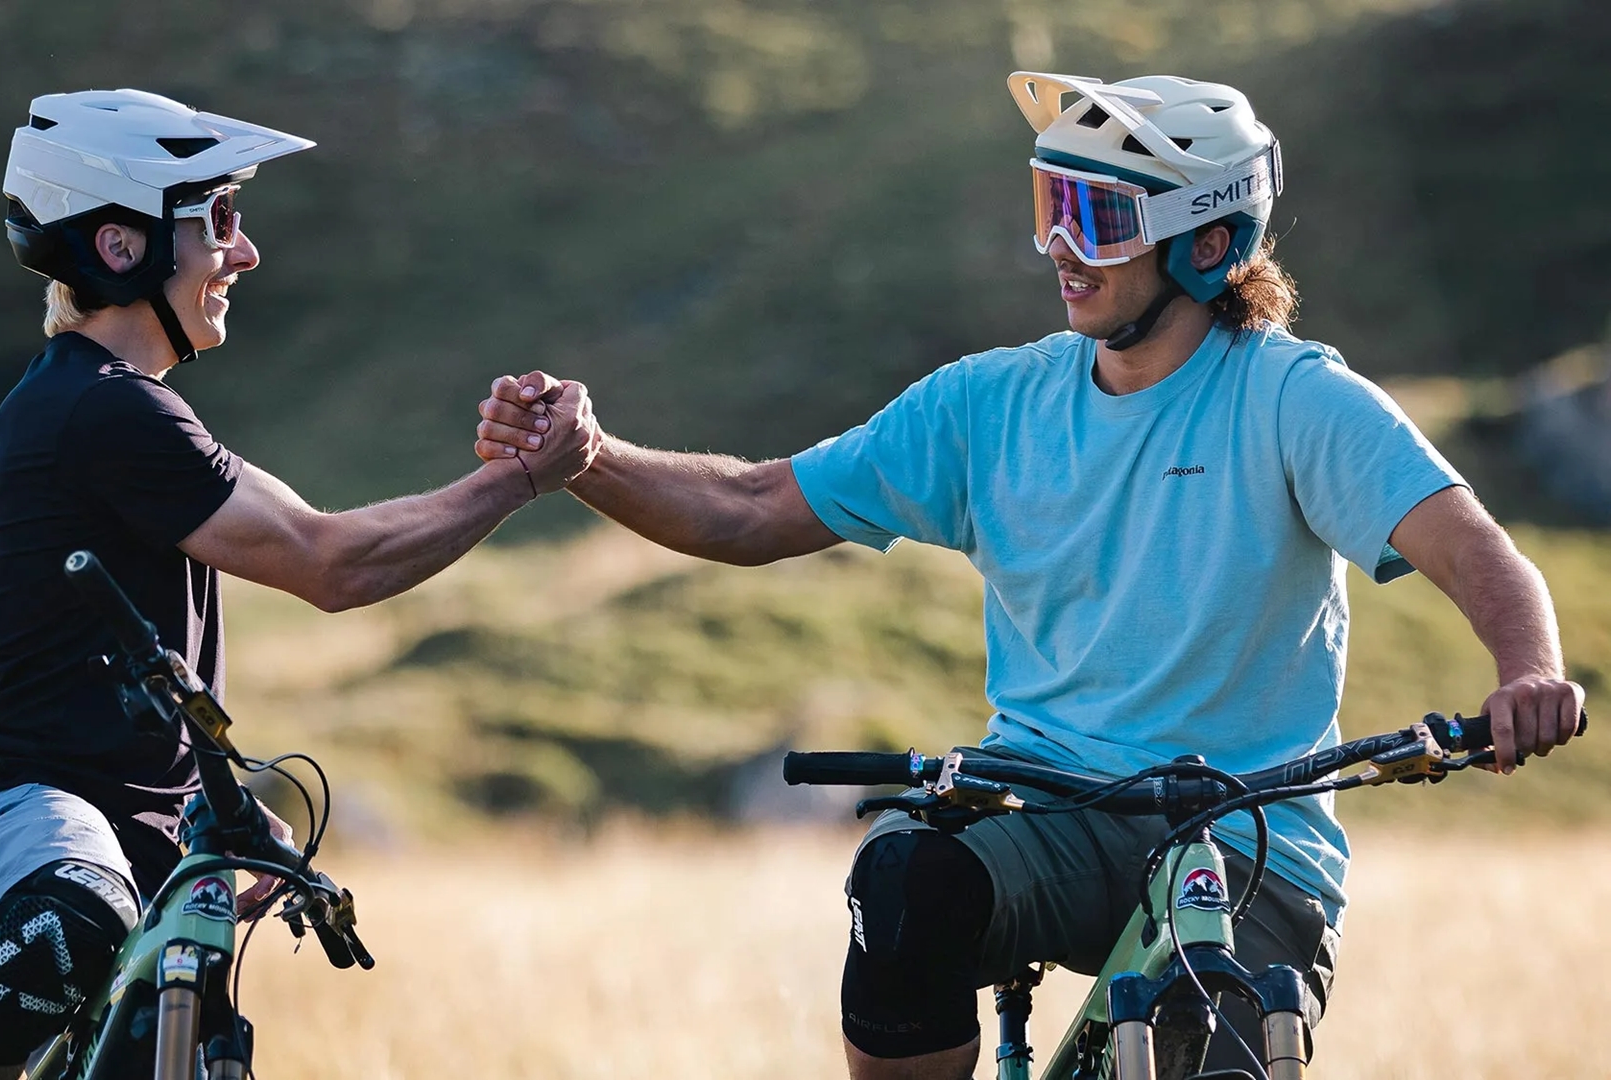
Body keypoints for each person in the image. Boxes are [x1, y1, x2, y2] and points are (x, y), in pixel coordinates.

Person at [474, 71, 1585, 1076]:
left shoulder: (1297, 400)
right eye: (1051, 207)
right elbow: (753, 505)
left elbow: (1474, 544)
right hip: (1050, 805)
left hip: (1247, 839)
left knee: (1232, 1013)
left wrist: (1527, 668)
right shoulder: (990, 404)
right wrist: (590, 460)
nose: (1060, 246)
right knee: (905, 881)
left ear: (1204, 242)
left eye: (1096, 220)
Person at [0, 89, 599, 1079]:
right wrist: (521, 480)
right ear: (123, 244)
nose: (246, 250)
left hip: (131, 838)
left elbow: (323, 534)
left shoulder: (132, 415)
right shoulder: (95, 410)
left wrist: (497, 475)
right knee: (77, 915)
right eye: (220, 218)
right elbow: (335, 569)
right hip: (1, 817)